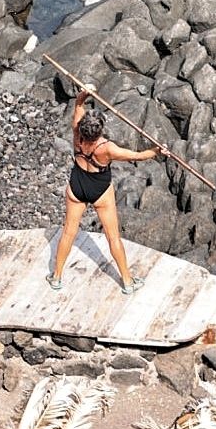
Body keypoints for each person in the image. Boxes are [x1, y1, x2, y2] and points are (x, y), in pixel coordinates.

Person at [47, 85, 166, 294]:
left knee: (68, 232)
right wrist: (156, 151)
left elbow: (78, 106)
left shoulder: (77, 134)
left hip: (77, 187)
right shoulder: (107, 148)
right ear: (100, 130)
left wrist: (83, 96)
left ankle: (56, 277)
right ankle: (128, 282)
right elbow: (136, 156)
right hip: (100, 190)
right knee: (113, 237)